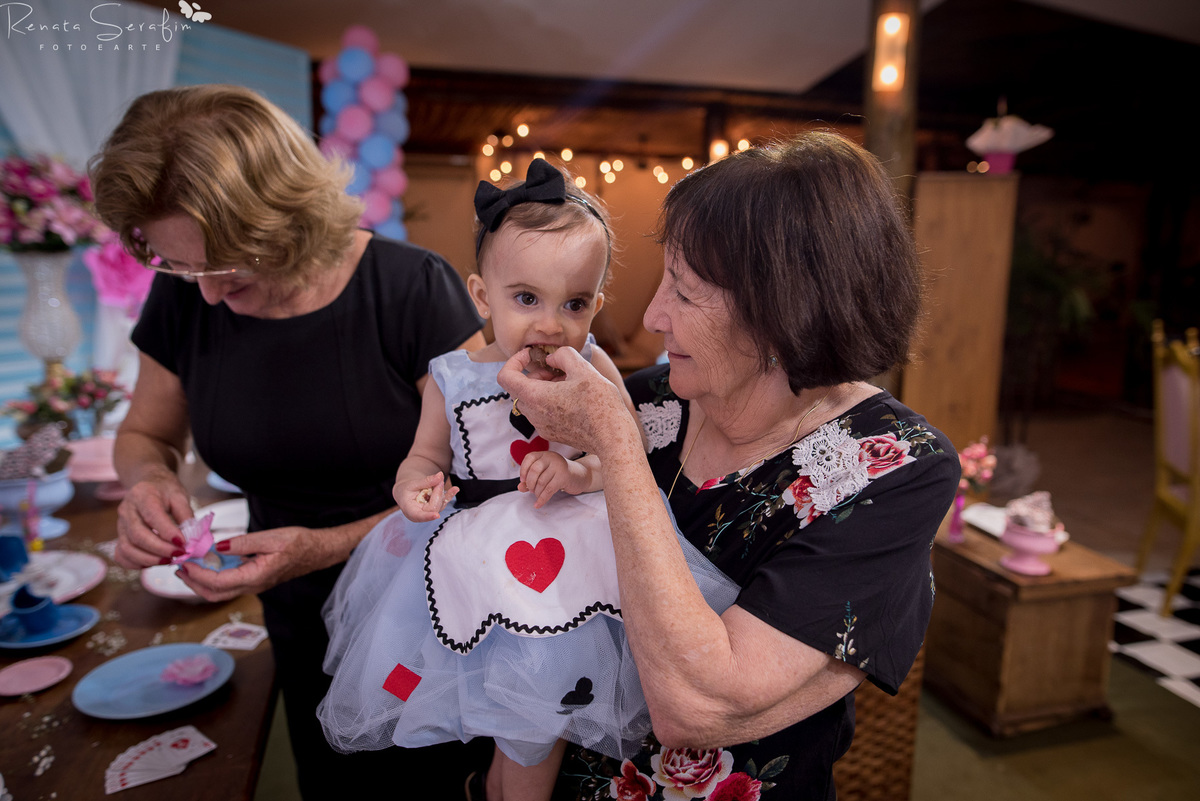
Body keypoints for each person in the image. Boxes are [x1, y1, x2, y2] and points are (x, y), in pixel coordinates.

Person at [496, 132, 961, 801]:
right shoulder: (657, 396)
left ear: (782, 314)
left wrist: (618, 450)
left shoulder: (894, 467)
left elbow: (692, 708)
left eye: (683, 293)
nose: (654, 314)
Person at [87, 84, 488, 799]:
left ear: (286, 217)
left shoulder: (411, 292)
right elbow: (146, 432)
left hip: (432, 613)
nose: (205, 295)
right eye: (181, 266)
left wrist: (326, 546)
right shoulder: (186, 293)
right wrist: (148, 477)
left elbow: (485, 486)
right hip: (296, 613)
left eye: (226, 265)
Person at [318, 159, 739, 801]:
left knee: (538, 719)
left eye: (573, 304)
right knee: (492, 713)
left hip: (575, 554)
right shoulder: (453, 378)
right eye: (525, 300)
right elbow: (424, 456)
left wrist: (575, 470)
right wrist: (414, 487)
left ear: (597, 304)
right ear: (482, 297)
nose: (549, 324)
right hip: (477, 555)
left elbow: (622, 459)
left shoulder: (594, 366)